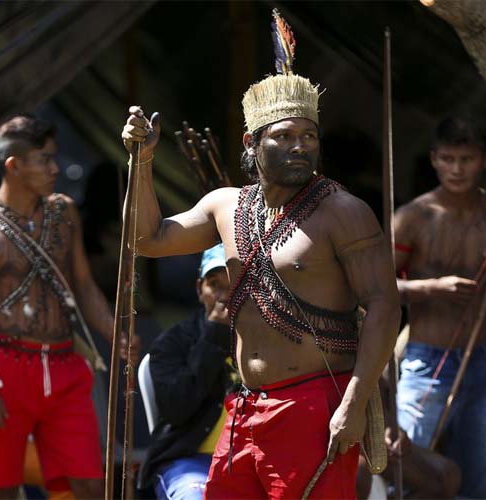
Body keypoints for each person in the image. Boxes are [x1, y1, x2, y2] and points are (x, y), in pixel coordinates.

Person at [120, 17, 400, 499]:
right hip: (246, 408)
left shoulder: (344, 212)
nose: (299, 147)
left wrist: (353, 405)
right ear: (252, 142)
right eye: (284, 137)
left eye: (309, 137)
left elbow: (384, 305)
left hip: (316, 406)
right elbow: (146, 239)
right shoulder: (225, 205)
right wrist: (142, 162)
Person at [0, 114, 136, 499]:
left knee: (87, 482)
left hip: (65, 366)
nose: (55, 168)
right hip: (3, 369)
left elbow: (82, 285)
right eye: (44, 159)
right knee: (2, 489)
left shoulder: (64, 212)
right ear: (14, 165)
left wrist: (115, 334)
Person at [394, 117, 486, 498]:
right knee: (404, 471)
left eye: (467, 159)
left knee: (480, 481)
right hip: (426, 360)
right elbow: (376, 289)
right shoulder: (412, 218)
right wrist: (431, 288)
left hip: (485, 358)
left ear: (485, 160)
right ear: (434, 160)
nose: (457, 169)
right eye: (448, 158)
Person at [138, 243, 241, 500]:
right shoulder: (173, 342)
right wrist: (214, 337)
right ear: (199, 289)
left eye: (234, 285)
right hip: (189, 461)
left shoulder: (268, 342)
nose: (224, 295)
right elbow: (176, 409)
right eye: (215, 284)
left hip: (251, 461)